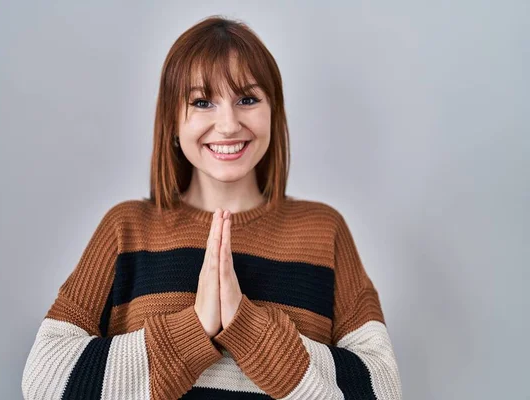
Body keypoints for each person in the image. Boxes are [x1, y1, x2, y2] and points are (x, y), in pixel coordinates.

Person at [22, 15, 402, 400]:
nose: (227, 124)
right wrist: (194, 328)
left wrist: (248, 327)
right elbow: (45, 378)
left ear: (274, 111)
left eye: (247, 99)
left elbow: (383, 388)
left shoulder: (324, 231)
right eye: (202, 102)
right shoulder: (126, 229)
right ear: (172, 119)